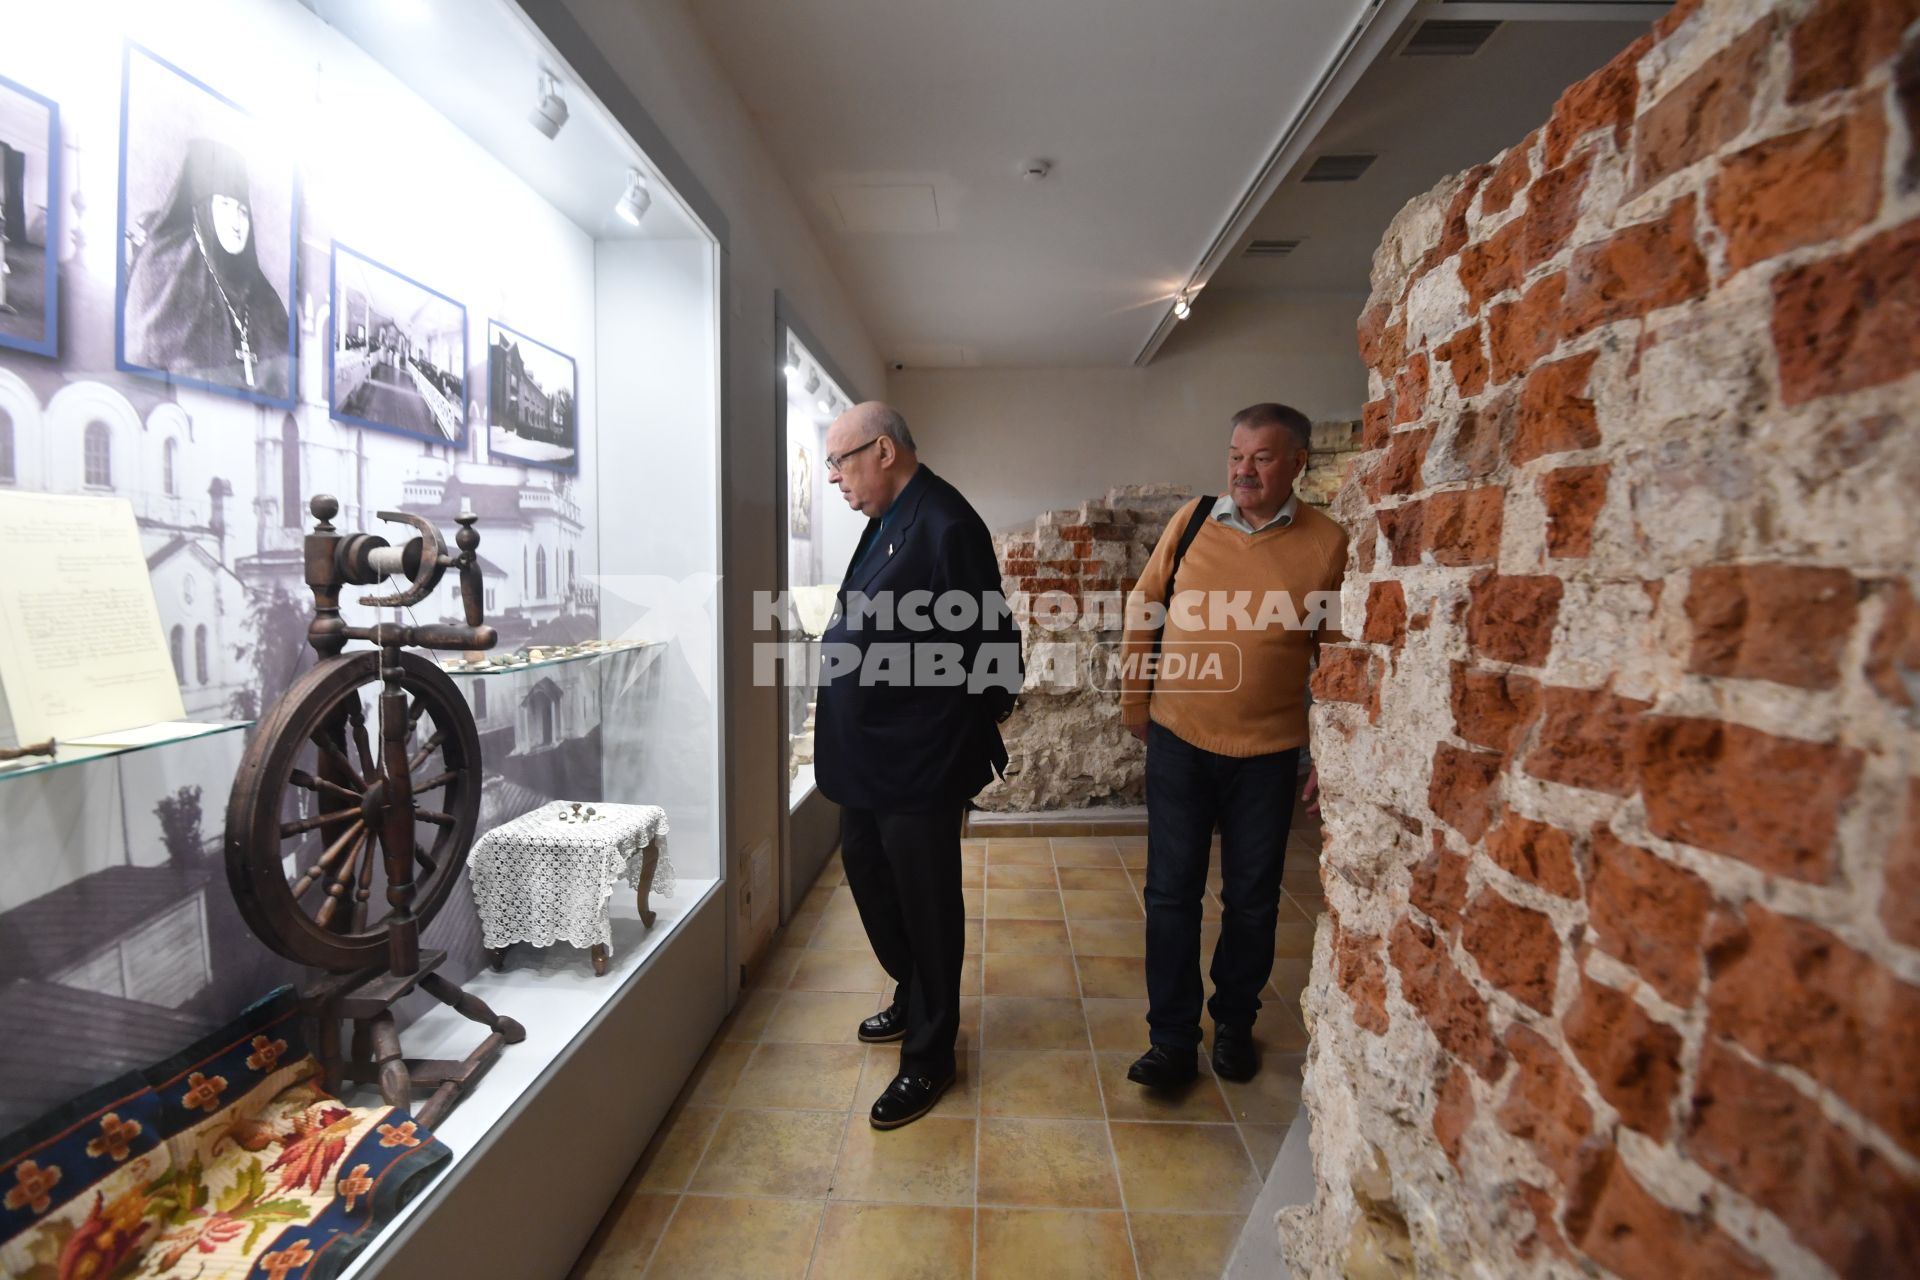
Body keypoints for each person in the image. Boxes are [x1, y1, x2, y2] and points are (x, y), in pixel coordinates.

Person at [1117, 402, 1346, 1087]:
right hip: (1180, 739)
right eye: (1236, 455)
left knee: (1252, 899)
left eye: (1262, 458)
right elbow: (1143, 604)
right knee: (1170, 895)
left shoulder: (1328, 544)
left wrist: (1330, 755)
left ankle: (1236, 1024)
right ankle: (1172, 1039)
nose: (1243, 470)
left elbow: (1334, 658)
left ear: (1298, 463)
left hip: (1270, 754)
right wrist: (1136, 701)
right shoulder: (1191, 522)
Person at [813, 401, 1021, 1129]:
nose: (834, 476)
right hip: (867, 754)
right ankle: (913, 992)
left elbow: (994, 645)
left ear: (883, 452)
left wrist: (950, 733)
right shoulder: (884, 518)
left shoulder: (947, 523)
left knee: (928, 905)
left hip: (917, 759)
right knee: (872, 881)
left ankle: (931, 1055)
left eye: (840, 460)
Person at [124, 137, 291, 398]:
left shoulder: (264, 295)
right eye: (224, 206)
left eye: (242, 211)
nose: (236, 223)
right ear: (203, 211)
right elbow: (143, 369)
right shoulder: (164, 268)